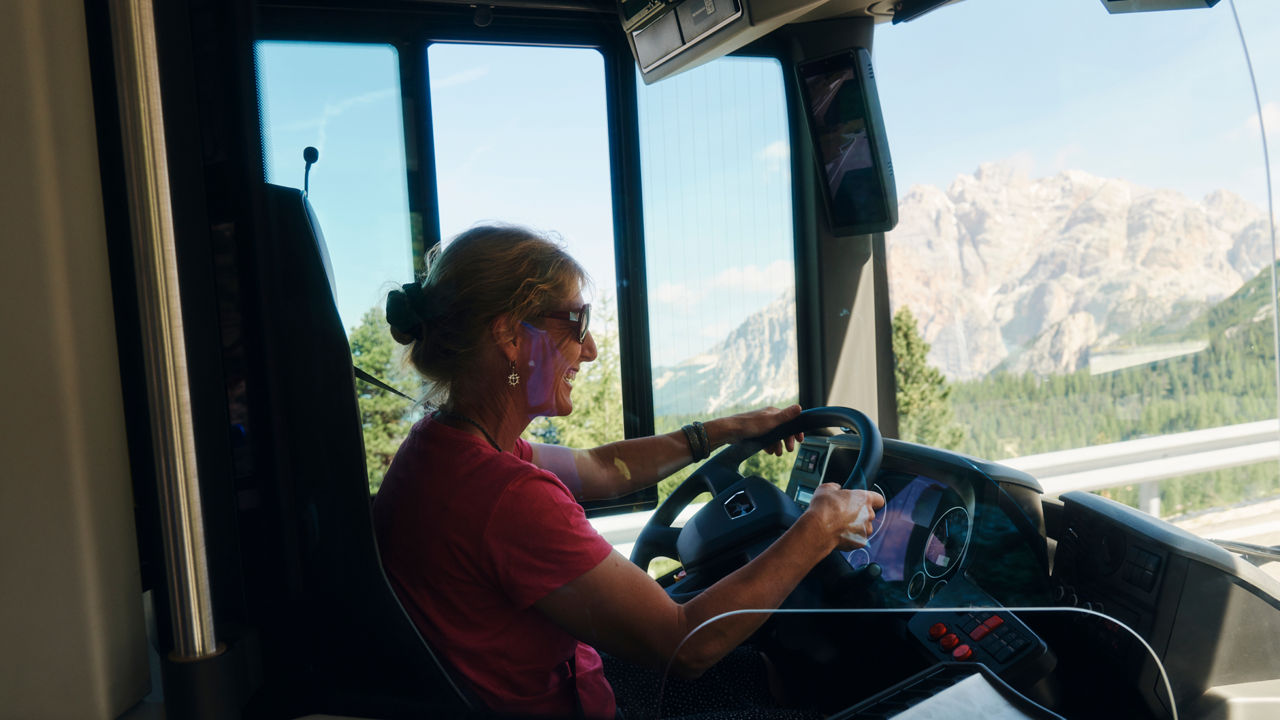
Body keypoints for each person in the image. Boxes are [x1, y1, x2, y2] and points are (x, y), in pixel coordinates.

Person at [372, 225, 884, 719]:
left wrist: (731, 429)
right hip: (573, 705)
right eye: (576, 323)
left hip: (565, 679)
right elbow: (685, 642)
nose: (590, 350)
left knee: (766, 673)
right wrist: (817, 530)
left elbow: (599, 468)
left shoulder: (441, 449)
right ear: (509, 334)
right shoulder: (509, 499)